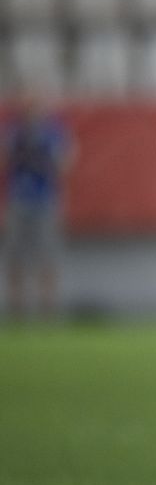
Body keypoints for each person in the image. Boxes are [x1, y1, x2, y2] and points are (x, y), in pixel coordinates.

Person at [2, 91, 75, 321]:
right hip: (19, 198)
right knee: (16, 254)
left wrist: (45, 157)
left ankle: (48, 309)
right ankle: (17, 309)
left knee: (48, 253)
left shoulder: (53, 133)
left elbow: (66, 162)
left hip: (45, 199)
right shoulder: (14, 133)